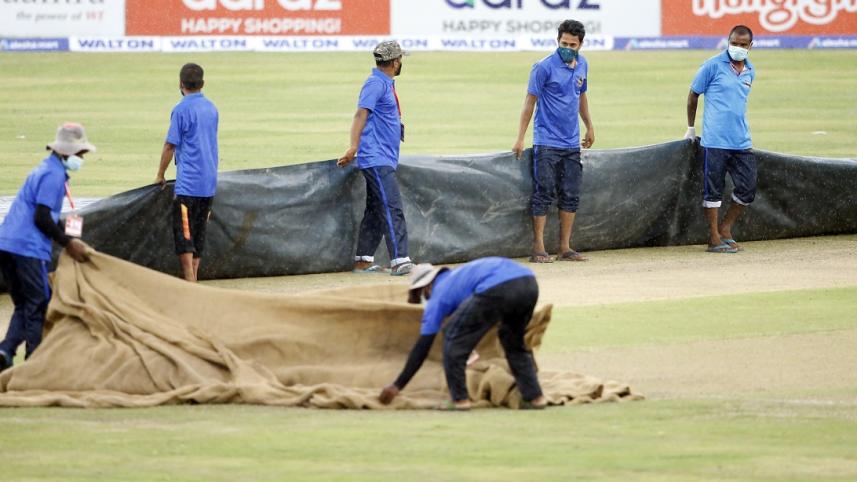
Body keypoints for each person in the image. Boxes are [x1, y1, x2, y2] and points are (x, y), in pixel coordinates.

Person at [378, 257, 548, 410]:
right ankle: (535, 397)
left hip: (497, 287)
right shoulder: (458, 277)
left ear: (426, 287)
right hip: (529, 283)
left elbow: (422, 347)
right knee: (513, 342)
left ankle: (459, 400)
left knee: (453, 338)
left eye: (418, 294)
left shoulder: (438, 295)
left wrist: (397, 385)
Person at [0, 123, 93, 372]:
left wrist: (69, 232)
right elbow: (41, 218)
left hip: (6, 243)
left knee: (24, 303)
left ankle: (5, 351)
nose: (82, 158)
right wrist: (69, 243)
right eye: (80, 154)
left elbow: (49, 216)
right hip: (27, 247)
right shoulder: (53, 176)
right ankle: (34, 361)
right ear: (68, 152)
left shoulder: (46, 169)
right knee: (40, 303)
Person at [513, 19, 595, 264]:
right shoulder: (543, 67)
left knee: (571, 194)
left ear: (581, 44)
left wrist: (590, 126)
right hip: (546, 141)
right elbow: (529, 102)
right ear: (557, 40)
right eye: (563, 43)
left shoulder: (583, 65)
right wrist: (520, 138)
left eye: (572, 44)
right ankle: (538, 248)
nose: (567, 47)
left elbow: (581, 97)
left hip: (572, 143)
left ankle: (565, 247)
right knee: (543, 193)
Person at [338, 41, 414, 276]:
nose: (401, 62)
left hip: (382, 156)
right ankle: (400, 260)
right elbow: (360, 114)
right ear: (395, 62)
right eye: (401, 58)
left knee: (375, 209)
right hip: (376, 157)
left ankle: (363, 260)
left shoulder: (383, 83)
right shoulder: (375, 84)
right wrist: (353, 147)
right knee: (392, 208)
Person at [685, 25, 757, 253]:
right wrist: (690, 127)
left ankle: (726, 228)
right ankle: (713, 237)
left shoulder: (750, 71)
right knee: (713, 191)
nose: (737, 48)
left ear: (750, 46)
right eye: (734, 43)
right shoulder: (712, 65)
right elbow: (693, 95)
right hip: (715, 140)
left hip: (741, 141)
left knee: (748, 187)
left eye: (743, 45)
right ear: (728, 41)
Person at [156, 62, 219, 281]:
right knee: (200, 231)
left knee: (184, 232)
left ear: (181, 83)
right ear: (203, 83)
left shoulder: (181, 109)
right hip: (209, 182)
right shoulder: (212, 108)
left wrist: (160, 174)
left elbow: (170, 145)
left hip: (188, 184)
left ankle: (188, 278)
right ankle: (195, 276)